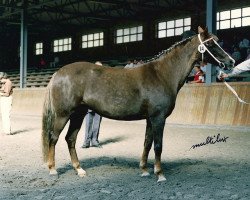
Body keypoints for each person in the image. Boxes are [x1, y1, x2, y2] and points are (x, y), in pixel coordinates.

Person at [82, 61, 103, 148]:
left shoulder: (103, 79)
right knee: (88, 124)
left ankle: (94, 140)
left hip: (99, 105)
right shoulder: (89, 78)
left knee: (97, 124)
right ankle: (86, 142)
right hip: (90, 105)